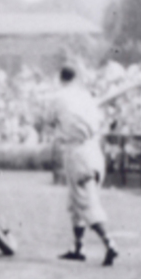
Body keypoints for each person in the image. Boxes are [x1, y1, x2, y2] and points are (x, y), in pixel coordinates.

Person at [46, 65, 118, 266]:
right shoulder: (85, 96)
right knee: (75, 203)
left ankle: (110, 243)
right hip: (94, 150)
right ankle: (78, 247)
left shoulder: (58, 97)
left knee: (87, 203)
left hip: (77, 152)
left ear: (60, 78)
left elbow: (49, 121)